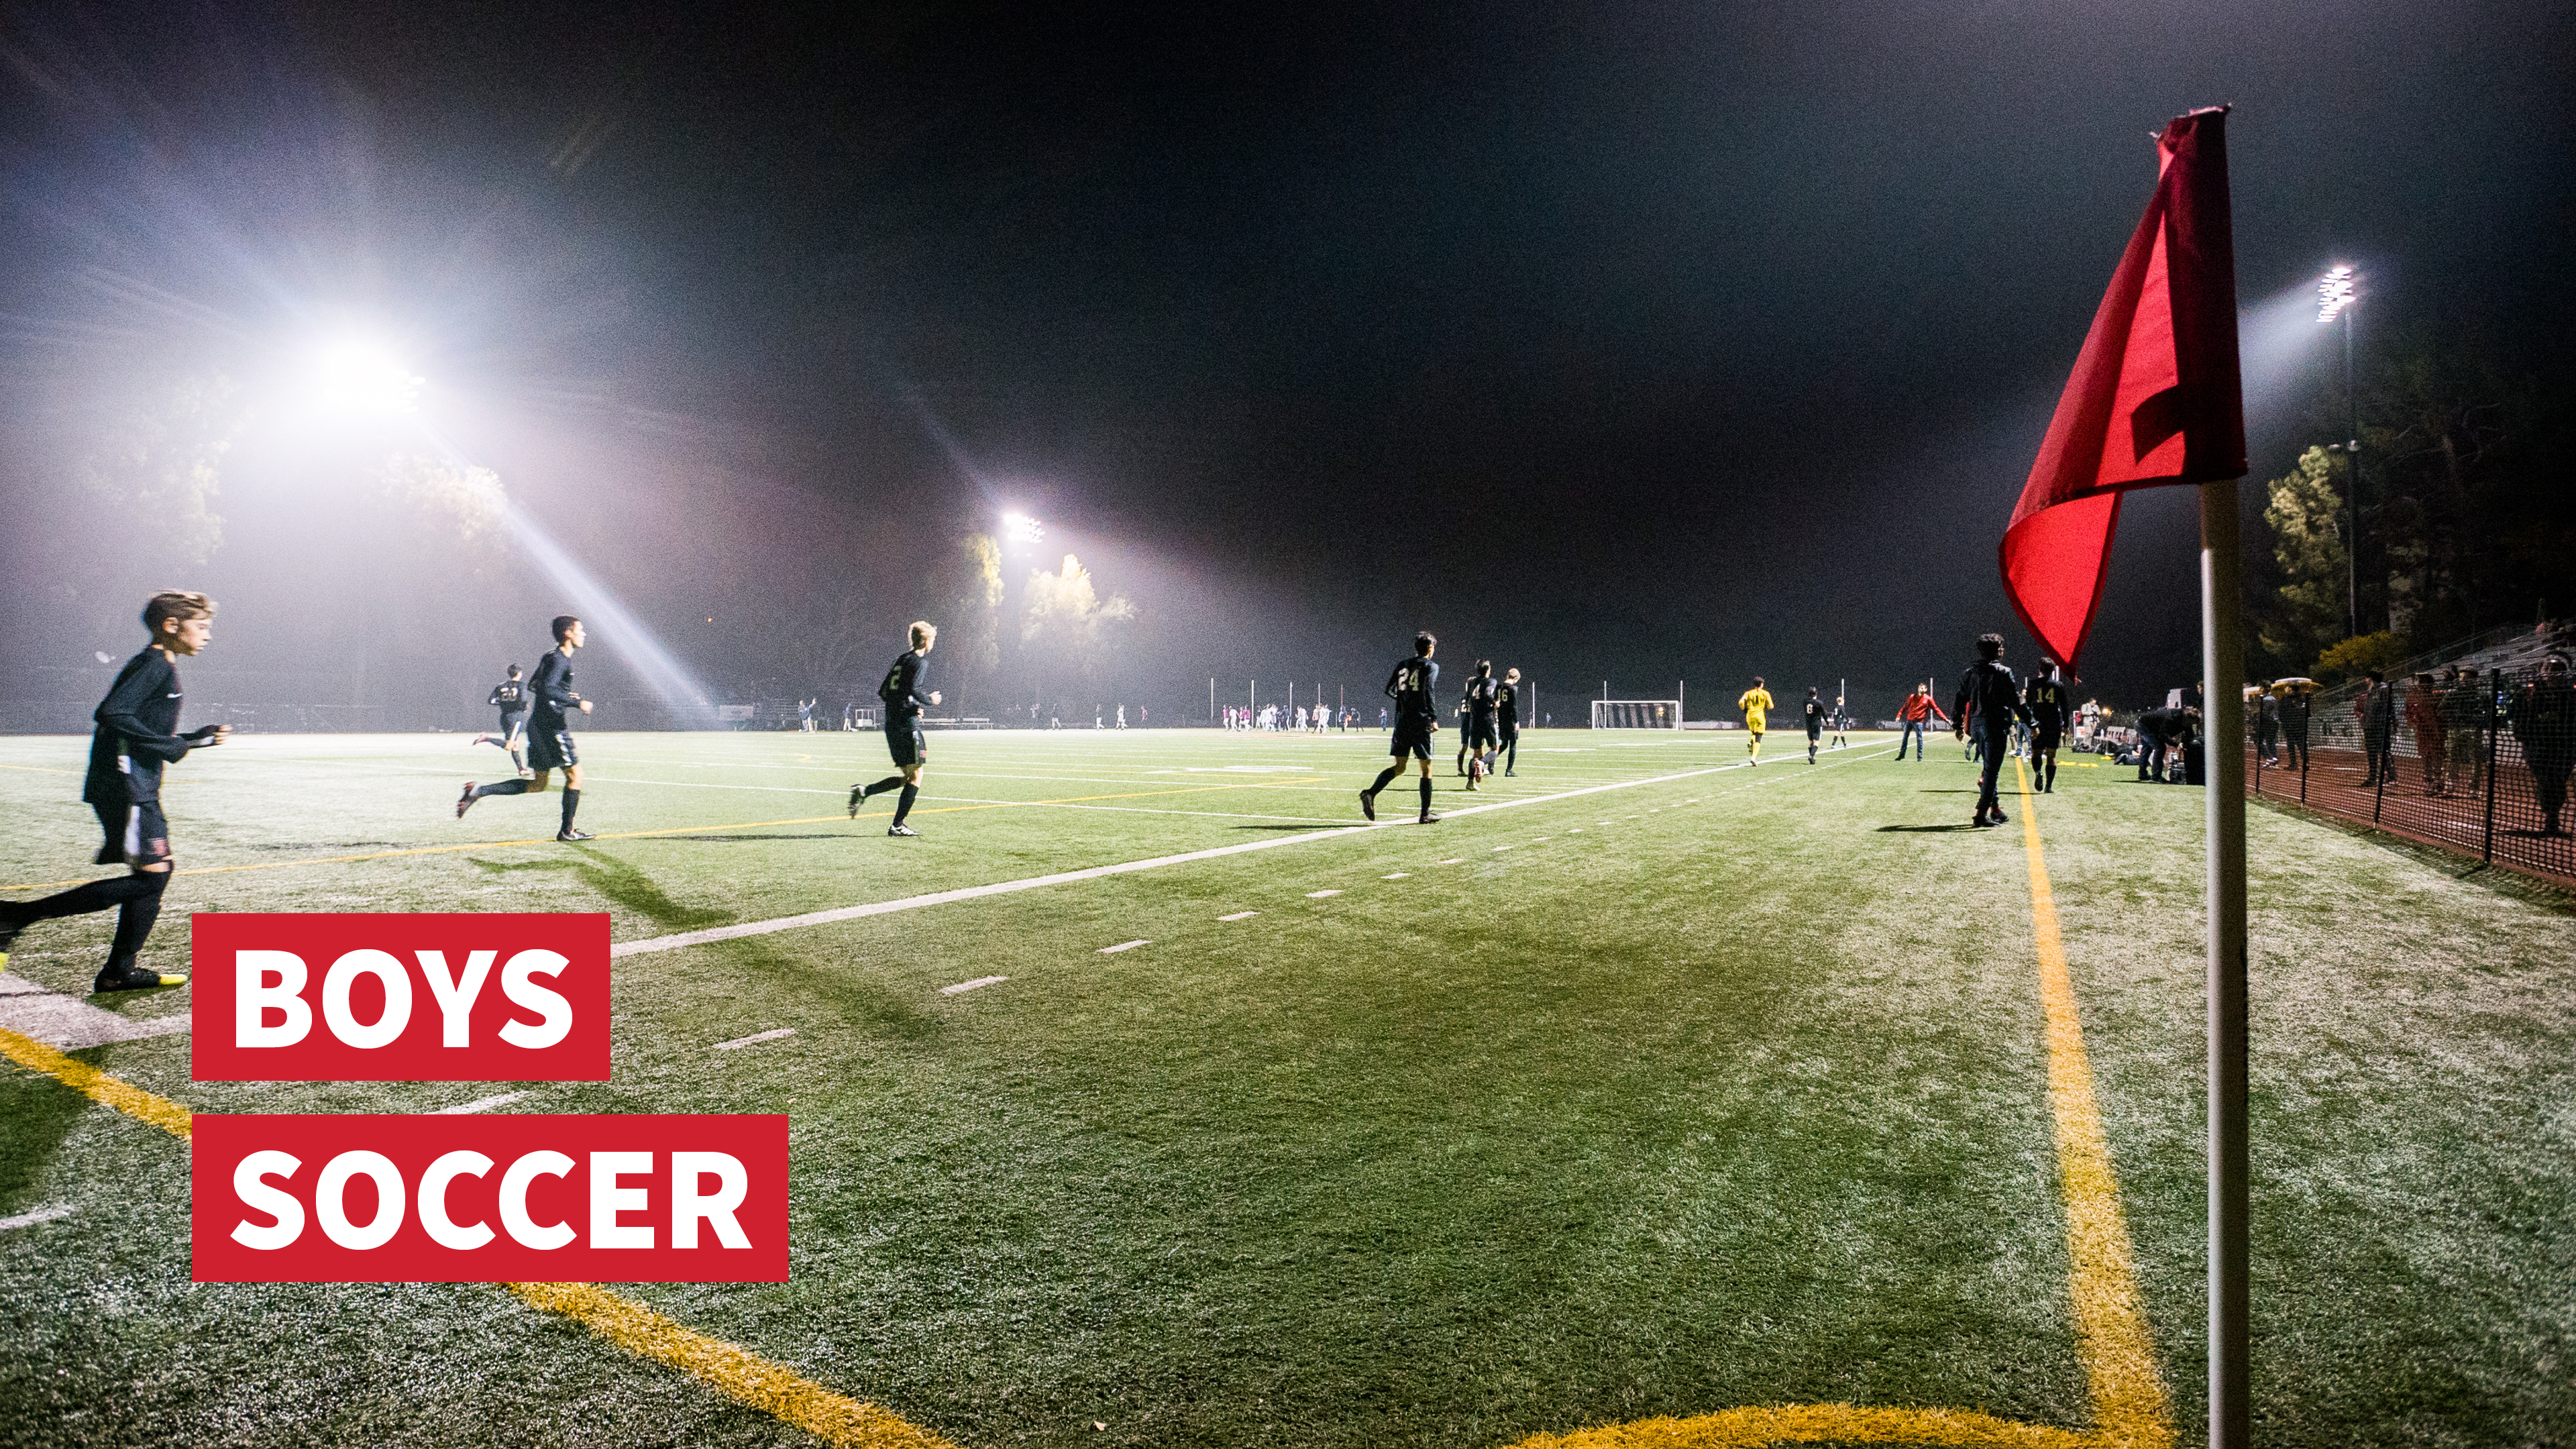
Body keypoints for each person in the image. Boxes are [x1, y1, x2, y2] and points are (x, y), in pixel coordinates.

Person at [0, 591, 231, 992]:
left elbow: (140, 729)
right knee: (151, 879)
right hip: (127, 786)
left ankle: (118, 971)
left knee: (154, 876)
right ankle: (15, 918)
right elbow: (112, 713)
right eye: (202, 626)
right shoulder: (154, 664)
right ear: (171, 626)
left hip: (131, 783)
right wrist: (172, 747)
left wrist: (193, 739)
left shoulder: (159, 664)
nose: (208, 635)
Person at [458, 616, 595, 841]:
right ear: (568, 633)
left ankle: (478, 792)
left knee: (538, 784)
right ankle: (567, 831)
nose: (584, 634)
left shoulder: (551, 657)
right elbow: (547, 689)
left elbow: (534, 685)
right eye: (580, 630)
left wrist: (562, 695)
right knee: (575, 775)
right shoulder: (560, 660)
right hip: (552, 727)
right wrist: (576, 702)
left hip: (539, 726)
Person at [847, 621, 942, 836]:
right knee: (917, 775)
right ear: (926, 641)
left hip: (891, 724)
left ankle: (864, 791)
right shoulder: (920, 662)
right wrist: (929, 701)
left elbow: (884, 692)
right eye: (933, 639)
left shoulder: (900, 660)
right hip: (907, 725)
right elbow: (915, 689)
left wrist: (908, 704)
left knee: (907, 778)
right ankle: (897, 825)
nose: (933, 643)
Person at [1360, 633, 1442, 824]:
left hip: (1402, 721)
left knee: (1400, 767)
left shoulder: (1403, 664)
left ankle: (1370, 793)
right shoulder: (1431, 666)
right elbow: (1427, 690)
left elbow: (1389, 689)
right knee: (1426, 768)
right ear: (1430, 648)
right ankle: (1425, 814)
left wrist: (1405, 701)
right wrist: (1433, 717)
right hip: (1420, 721)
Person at [1953, 633, 2026, 826]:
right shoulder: (2003, 672)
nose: (2003, 650)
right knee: (1992, 772)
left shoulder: (1970, 672)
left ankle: (1995, 809)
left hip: (1976, 726)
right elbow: (2015, 701)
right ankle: (1980, 815)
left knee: (1989, 770)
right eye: (2001, 647)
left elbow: (1961, 699)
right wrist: (2032, 723)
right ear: (1996, 650)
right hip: (1995, 725)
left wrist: (1957, 725)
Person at [2508, 654, 2575, 835]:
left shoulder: (2571, 695)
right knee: (2547, 779)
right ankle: (2551, 815)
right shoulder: (2530, 694)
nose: (2552, 674)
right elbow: (2517, 717)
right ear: (2541, 672)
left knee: (2558, 780)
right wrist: (2524, 735)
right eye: (2549, 670)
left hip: (2565, 747)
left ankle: (2553, 812)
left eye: (2557, 671)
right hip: (2537, 747)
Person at [2024, 660, 2072, 792]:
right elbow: (2064, 706)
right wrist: (2066, 725)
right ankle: (2049, 786)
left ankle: (2038, 772)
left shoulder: (2033, 684)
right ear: (2052, 671)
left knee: (2036, 753)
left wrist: (2030, 722)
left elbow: (2028, 705)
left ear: (2040, 669)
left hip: (2038, 723)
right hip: (2054, 723)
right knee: (2052, 756)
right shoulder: (2058, 685)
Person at [473, 664, 530, 775]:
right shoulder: (522, 685)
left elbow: (491, 700)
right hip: (515, 717)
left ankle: (521, 769)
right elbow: (523, 700)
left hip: (505, 717)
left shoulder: (501, 686)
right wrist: (523, 708)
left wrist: (504, 703)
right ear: (519, 673)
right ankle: (486, 738)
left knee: (515, 743)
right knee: (509, 745)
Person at [2441, 667, 2486, 797]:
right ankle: (2451, 784)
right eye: (2462, 678)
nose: (2464, 680)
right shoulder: (2453, 693)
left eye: (2467, 678)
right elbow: (2442, 709)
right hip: (2455, 728)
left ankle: (2474, 788)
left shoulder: (2479, 694)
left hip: (2472, 728)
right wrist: (2453, 716)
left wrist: (2476, 718)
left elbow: (2485, 711)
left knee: (2475, 759)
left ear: (2474, 680)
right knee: (2452, 757)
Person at [2405, 673, 2446, 795]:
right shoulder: (2413, 695)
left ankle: (2438, 779)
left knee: (2437, 754)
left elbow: (2442, 712)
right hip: (2422, 730)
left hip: (2436, 730)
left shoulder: (2437, 695)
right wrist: (2414, 721)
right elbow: (2408, 711)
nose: (2418, 683)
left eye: (2420, 680)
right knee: (2425, 755)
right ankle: (2428, 781)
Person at [2358, 671, 2396, 786]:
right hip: (2370, 726)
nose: (2366, 681)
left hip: (2380, 726)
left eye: (2367, 678)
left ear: (2371, 679)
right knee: (2372, 753)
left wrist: (2392, 722)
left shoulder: (2383, 689)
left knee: (2385, 751)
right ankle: (2373, 777)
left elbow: (2389, 707)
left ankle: (2391, 777)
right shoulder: (2371, 690)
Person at [1894, 684, 1947, 761]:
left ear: (1926, 690)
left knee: (1919, 739)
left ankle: (1920, 756)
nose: (1921, 690)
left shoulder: (1928, 699)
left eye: (1923, 688)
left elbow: (1936, 709)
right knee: (1905, 738)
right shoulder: (1912, 697)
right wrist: (1899, 715)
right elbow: (1905, 706)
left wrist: (1944, 718)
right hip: (1910, 721)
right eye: (1920, 688)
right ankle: (1902, 755)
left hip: (1919, 722)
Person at [1738, 677, 1774, 764]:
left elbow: (1741, 702)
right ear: (1762, 684)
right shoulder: (1765, 693)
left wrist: (1744, 708)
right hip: (1760, 716)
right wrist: (1766, 705)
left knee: (1754, 733)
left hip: (1750, 716)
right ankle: (1753, 758)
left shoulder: (1748, 693)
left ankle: (1751, 741)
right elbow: (1771, 706)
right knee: (1759, 737)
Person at [1495, 667, 1523, 775]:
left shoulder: (1499, 687)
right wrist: (1516, 721)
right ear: (1515, 678)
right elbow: (1514, 707)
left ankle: (1489, 760)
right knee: (1513, 744)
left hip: (1501, 718)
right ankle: (1509, 770)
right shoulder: (1513, 689)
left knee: (1504, 744)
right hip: (1510, 719)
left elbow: (1496, 702)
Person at [2279, 686, 2312, 772]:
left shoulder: (2285, 700)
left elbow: (2281, 714)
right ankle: (2306, 762)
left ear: (2290, 689)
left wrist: (2285, 722)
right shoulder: (2302, 699)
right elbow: (2308, 713)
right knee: (2301, 744)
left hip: (2289, 726)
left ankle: (2293, 764)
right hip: (2301, 726)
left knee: (2291, 745)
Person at [1802, 686, 1827, 763]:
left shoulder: (1805, 701)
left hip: (1808, 722)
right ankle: (1811, 756)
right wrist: (1827, 721)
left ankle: (1811, 757)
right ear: (1816, 693)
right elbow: (1824, 713)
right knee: (1818, 740)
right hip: (1816, 723)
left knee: (1810, 741)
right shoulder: (1819, 703)